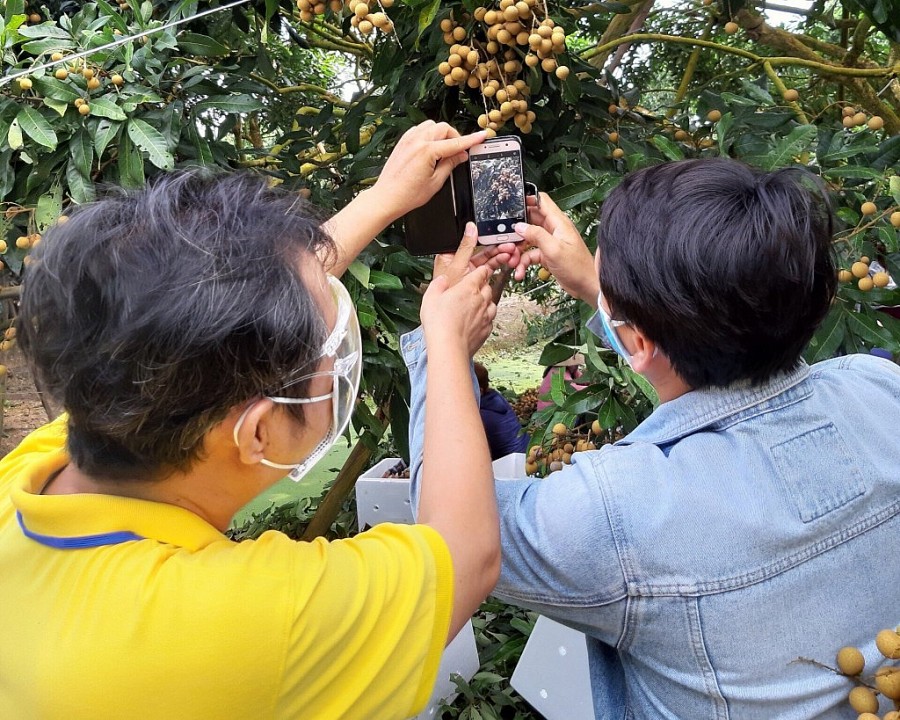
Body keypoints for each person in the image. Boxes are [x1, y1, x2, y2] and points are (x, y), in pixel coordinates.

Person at [0, 122, 506, 720]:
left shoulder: (44, 463)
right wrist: (445, 345)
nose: (335, 353)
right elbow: (466, 558)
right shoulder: (245, 623)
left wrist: (384, 198)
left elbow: (218, 311)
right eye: (328, 352)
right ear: (258, 433)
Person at [407, 158, 900, 718]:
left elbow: (450, 541)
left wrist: (439, 343)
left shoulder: (617, 514)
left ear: (635, 340)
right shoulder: (880, 387)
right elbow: (725, 374)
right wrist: (603, 291)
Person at [473, 362, 528, 460]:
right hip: (525, 452)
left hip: (512, 463)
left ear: (479, 390)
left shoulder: (483, 416)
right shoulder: (495, 396)